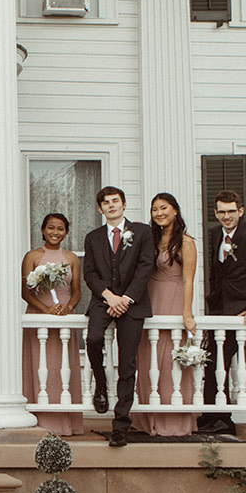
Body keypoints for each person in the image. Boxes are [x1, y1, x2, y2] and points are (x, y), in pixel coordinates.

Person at [199, 191, 246, 435]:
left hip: (239, 310)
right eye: (221, 212)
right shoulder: (214, 235)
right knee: (209, 360)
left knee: (219, 360)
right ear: (215, 213)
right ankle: (211, 414)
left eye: (231, 211)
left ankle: (222, 417)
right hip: (219, 308)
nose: (226, 216)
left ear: (240, 211)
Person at [82, 186, 154, 448]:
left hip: (132, 303)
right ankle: (100, 385)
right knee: (93, 339)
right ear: (100, 209)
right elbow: (89, 273)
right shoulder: (93, 237)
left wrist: (126, 298)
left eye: (115, 201)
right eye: (106, 203)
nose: (111, 205)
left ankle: (121, 425)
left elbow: (146, 266)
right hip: (104, 300)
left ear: (124, 205)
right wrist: (109, 296)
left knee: (127, 364)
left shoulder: (142, 232)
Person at [133, 192, 199, 437]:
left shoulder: (186, 242)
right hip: (149, 298)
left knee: (167, 357)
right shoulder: (148, 239)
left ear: (175, 211)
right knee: (148, 357)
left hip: (172, 297)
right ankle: (145, 420)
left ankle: (172, 421)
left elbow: (189, 280)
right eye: (154, 209)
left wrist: (187, 314)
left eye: (163, 208)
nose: (158, 213)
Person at [21, 212, 83, 436]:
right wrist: (44, 309)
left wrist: (68, 307)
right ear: (43, 230)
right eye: (51, 228)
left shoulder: (71, 258)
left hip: (63, 317)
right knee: (40, 365)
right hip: (39, 314)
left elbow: (76, 291)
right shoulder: (33, 256)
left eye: (60, 229)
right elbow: (25, 292)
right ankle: (40, 420)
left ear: (66, 232)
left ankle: (65, 422)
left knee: (62, 366)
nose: (55, 232)